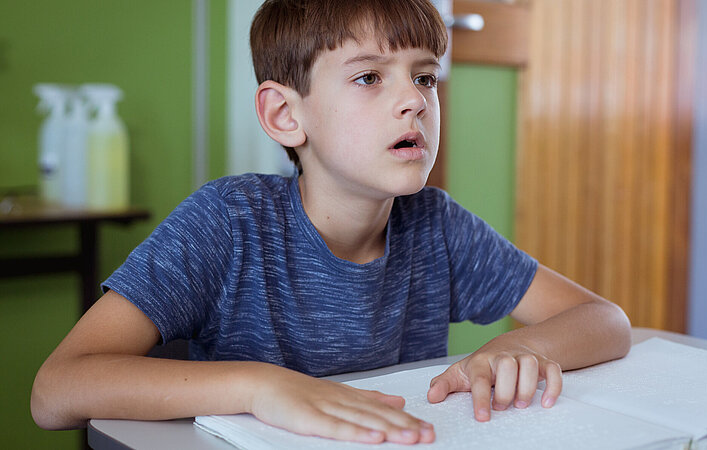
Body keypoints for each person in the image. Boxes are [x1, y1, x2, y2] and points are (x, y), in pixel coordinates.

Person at [31, 0, 631, 445]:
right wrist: (260, 386)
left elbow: (605, 321)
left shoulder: (436, 226)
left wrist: (515, 346)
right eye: (370, 77)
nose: (416, 100)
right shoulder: (228, 222)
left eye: (424, 75)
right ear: (285, 114)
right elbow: (56, 390)